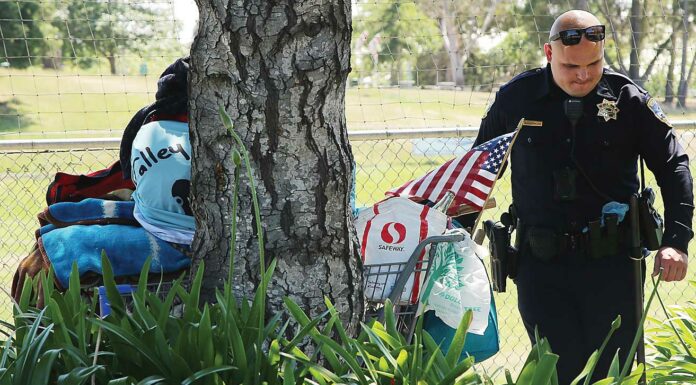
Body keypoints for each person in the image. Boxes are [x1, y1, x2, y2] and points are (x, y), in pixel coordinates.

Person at [471, 10, 693, 384]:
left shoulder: (628, 99)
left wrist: (677, 241)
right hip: (541, 268)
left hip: (613, 267)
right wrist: (454, 235)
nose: (584, 75)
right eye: (571, 66)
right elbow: (479, 166)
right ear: (548, 53)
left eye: (594, 63)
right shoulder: (518, 97)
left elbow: (674, 165)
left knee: (614, 373)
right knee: (558, 371)